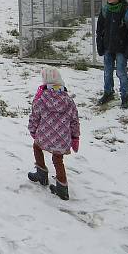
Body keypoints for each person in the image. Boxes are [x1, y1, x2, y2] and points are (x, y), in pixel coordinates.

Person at [27, 66, 80, 201]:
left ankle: (41, 174)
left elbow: (35, 116)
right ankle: (62, 188)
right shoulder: (68, 100)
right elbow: (74, 120)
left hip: (44, 135)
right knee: (58, 160)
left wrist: (33, 130)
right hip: (62, 138)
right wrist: (75, 137)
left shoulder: (42, 98)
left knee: (37, 147)